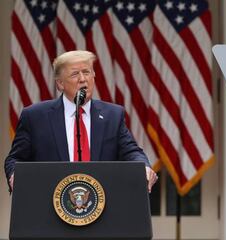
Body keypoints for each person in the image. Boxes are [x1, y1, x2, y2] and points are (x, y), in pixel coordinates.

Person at [4, 50, 157, 193]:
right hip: (49, 204)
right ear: (60, 84)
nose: (83, 79)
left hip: (101, 205)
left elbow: (131, 151)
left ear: (94, 76)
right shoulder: (35, 116)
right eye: (75, 74)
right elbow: (15, 158)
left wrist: (143, 167)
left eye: (86, 72)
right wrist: (15, 176)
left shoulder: (113, 115)